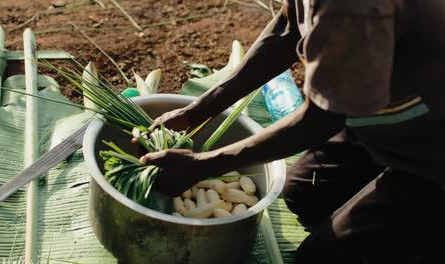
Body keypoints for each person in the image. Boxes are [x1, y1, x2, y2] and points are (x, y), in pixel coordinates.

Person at [136, 0, 445, 263]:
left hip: (434, 152)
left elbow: (318, 121)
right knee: (306, 194)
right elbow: (288, 28)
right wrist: (198, 110)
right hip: (395, 117)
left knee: (322, 259)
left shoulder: (353, 7)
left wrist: (203, 166)